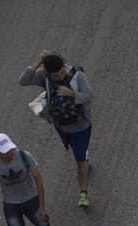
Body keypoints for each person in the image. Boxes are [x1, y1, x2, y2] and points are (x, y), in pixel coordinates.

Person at [19, 50, 94, 207]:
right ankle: (84, 160)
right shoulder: (45, 77)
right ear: (48, 73)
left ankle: (83, 194)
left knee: (79, 160)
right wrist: (38, 62)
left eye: (61, 73)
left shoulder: (77, 75)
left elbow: (89, 96)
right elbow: (24, 80)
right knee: (78, 154)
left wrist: (72, 93)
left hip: (81, 125)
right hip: (62, 127)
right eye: (55, 75)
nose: (60, 77)